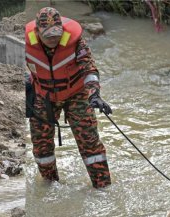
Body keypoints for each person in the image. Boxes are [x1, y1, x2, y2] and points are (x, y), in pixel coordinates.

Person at [25, 7, 112, 188]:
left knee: (90, 142)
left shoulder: (76, 42)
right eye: (48, 35)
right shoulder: (24, 43)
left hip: (76, 94)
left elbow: (89, 69)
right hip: (44, 96)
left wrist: (94, 95)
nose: (53, 39)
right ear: (37, 32)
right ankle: (50, 186)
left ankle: (103, 187)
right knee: (41, 147)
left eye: (56, 34)